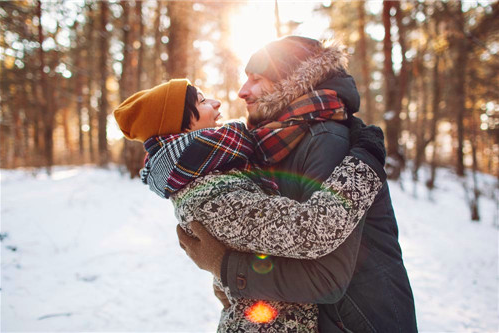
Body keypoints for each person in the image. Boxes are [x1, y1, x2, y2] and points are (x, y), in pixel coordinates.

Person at [178, 36, 418, 332]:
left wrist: (226, 268)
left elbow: (326, 279)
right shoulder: (278, 140)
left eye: (256, 79)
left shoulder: (326, 140)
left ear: (290, 82)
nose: (242, 91)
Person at [113, 78, 387, 331]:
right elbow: (311, 230)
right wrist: (367, 158)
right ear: (182, 125)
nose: (216, 103)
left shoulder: (208, 176)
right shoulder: (212, 196)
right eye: (202, 101)